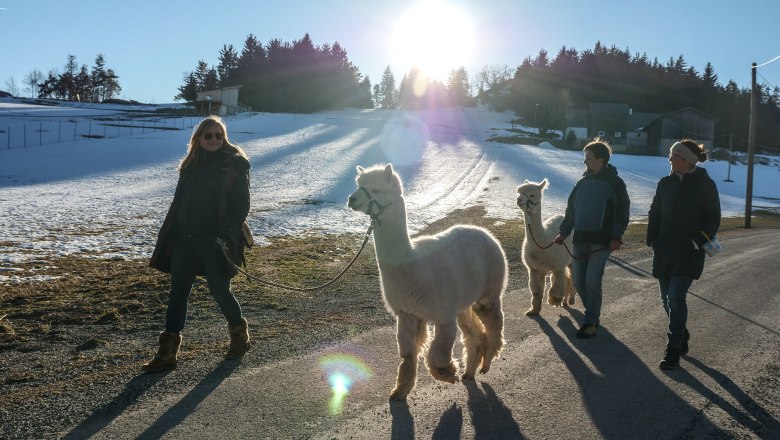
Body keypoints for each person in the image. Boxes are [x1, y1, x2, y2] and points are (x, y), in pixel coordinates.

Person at [143, 115, 252, 372]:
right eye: (209, 135)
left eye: (219, 135)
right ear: (198, 139)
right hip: (185, 241)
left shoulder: (235, 165)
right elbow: (179, 203)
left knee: (220, 291)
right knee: (178, 295)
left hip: (215, 243)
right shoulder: (190, 166)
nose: (214, 139)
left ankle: (240, 337)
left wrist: (226, 235)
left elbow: (240, 206)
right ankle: (167, 354)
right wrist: (172, 234)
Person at [647, 139, 720, 370]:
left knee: (676, 298)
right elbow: (655, 210)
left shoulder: (705, 185)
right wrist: (652, 237)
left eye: (674, 156)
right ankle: (681, 334)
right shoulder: (664, 183)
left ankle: (673, 349)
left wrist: (696, 241)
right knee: (666, 301)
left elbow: (713, 218)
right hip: (664, 250)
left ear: (687, 160)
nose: (670, 160)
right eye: (670, 156)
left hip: (689, 252)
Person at [554, 138, 630, 338]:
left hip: (601, 241)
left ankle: (590, 319)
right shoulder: (582, 183)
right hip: (580, 239)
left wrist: (617, 236)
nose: (585, 161)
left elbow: (622, 212)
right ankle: (593, 314)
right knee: (579, 281)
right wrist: (563, 232)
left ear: (601, 160)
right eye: (585, 157)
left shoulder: (615, 183)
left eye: (588, 157)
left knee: (593, 280)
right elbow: (571, 211)